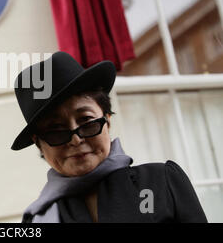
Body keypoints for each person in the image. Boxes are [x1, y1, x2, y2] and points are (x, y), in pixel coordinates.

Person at [11, 51, 207, 223]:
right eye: (55, 130)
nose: (76, 139)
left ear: (107, 119)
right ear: (39, 144)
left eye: (86, 120)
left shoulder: (161, 181)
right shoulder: (37, 220)